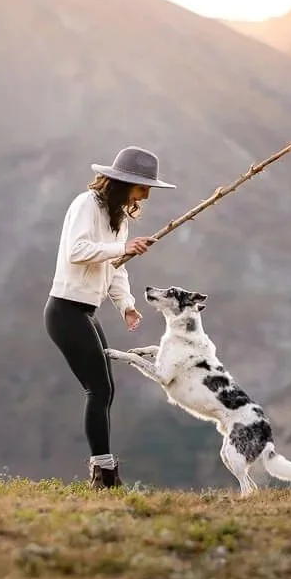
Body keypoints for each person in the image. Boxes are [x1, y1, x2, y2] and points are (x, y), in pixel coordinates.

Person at [45, 146, 176, 488]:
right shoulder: (86, 205)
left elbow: (114, 269)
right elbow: (77, 252)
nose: (146, 194)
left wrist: (127, 305)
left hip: (86, 311)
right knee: (98, 389)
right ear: (123, 182)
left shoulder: (116, 215)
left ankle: (103, 472)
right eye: (142, 186)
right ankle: (103, 475)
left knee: (106, 389)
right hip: (65, 309)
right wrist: (123, 248)